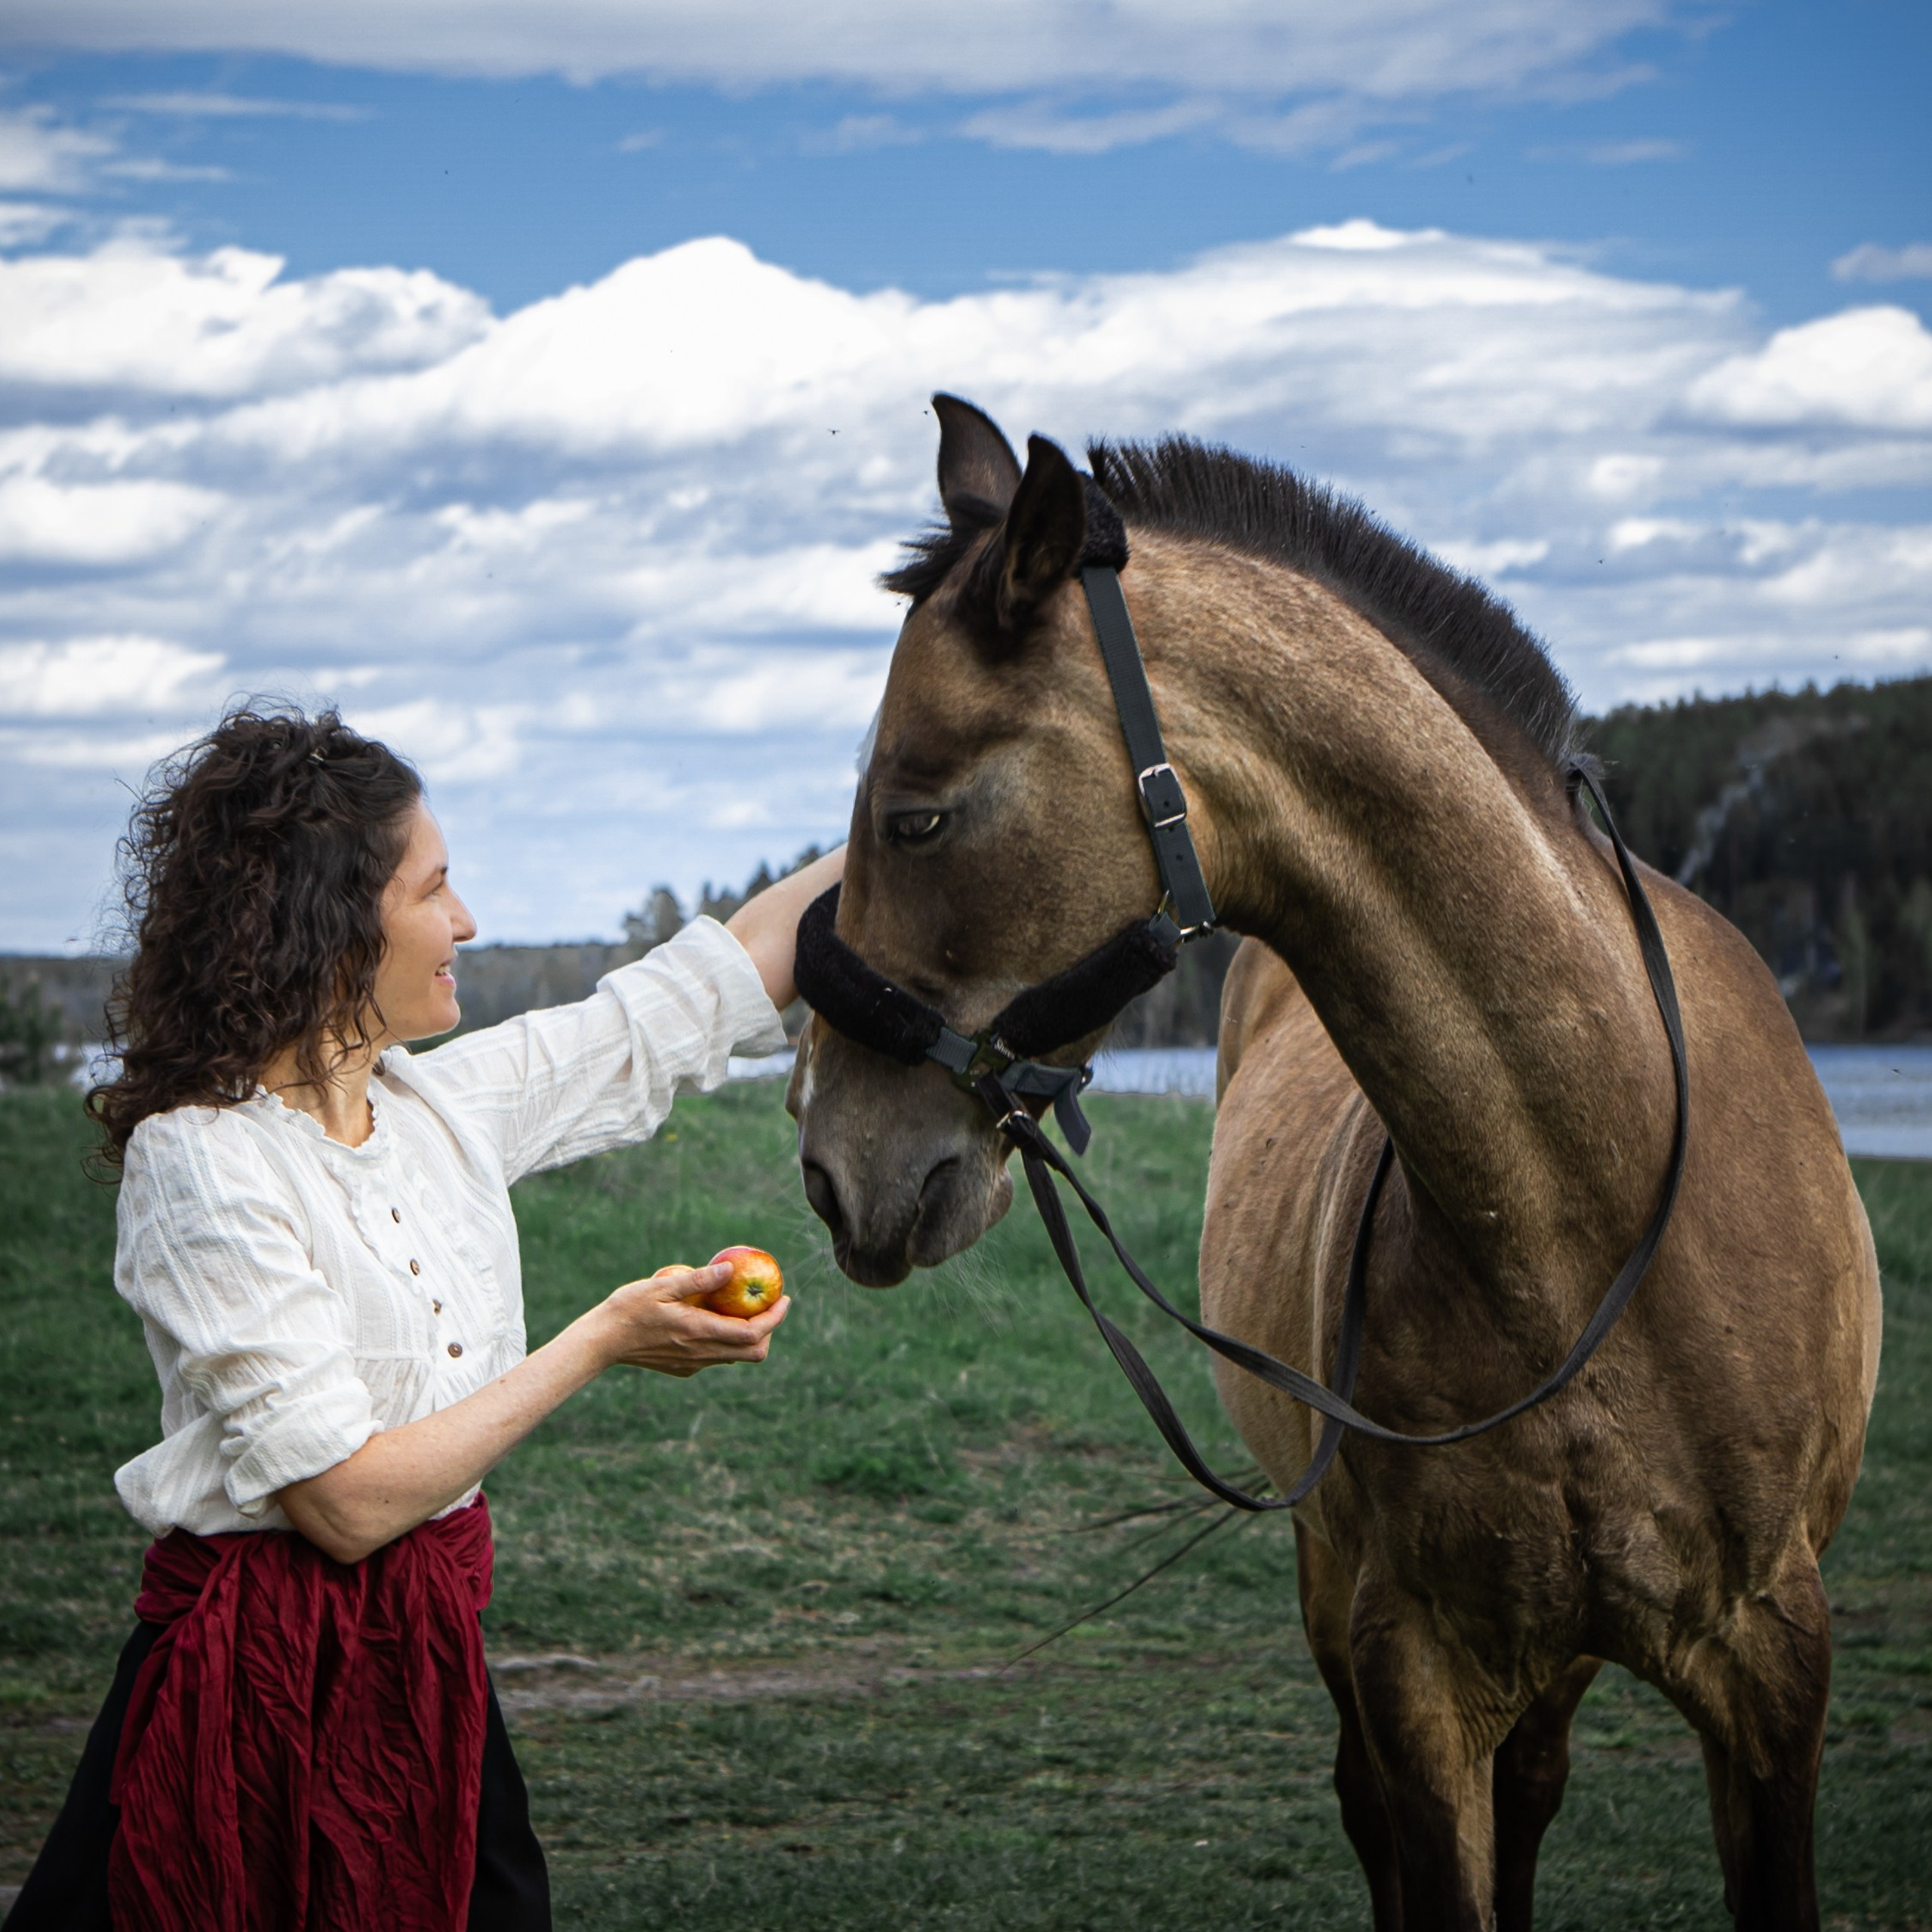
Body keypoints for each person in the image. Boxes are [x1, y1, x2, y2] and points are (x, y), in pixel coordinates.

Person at [5, 705, 843, 1932]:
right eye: (434, 888)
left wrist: (906, 810)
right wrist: (602, 1340)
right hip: (245, 1696)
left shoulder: (440, 1109)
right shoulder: (201, 1161)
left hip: (430, 1667)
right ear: (333, 921)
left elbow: (696, 993)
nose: (467, 921)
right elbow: (346, 1505)